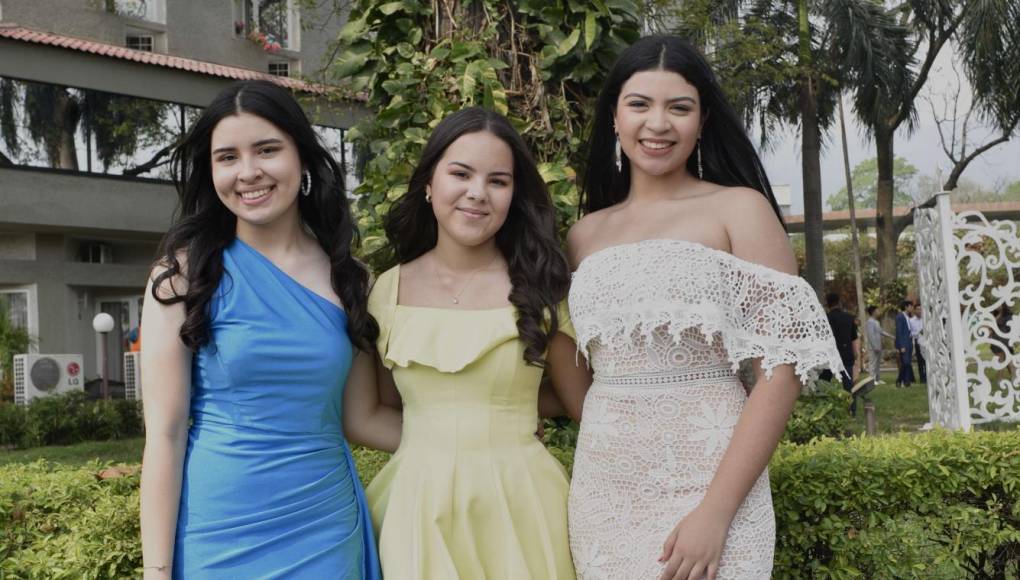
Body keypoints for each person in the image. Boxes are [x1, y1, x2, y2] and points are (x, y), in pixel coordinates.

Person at [566, 36, 843, 580]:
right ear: (615, 118)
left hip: (715, 487)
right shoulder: (582, 236)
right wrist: (616, 429)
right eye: (640, 104)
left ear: (702, 120)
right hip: (605, 490)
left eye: (679, 107)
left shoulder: (739, 210)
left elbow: (781, 370)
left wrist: (715, 512)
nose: (658, 123)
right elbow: (579, 365)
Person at [139, 80, 380, 579]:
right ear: (211, 170)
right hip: (218, 529)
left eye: (267, 150)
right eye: (227, 157)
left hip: (324, 527)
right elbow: (163, 434)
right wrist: (156, 571)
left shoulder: (350, 279)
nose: (248, 173)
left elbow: (363, 418)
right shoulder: (183, 274)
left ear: (303, 158)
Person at [343, 107, 593, 579]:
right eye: (460, 173)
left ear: (513, 195)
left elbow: (577, 401)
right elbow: (366, 414)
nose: (477, 193)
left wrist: (502, 428)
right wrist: (445, 447)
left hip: (524, 501)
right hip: (417, 505)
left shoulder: (544, 287)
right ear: (428, 184)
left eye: (498, 181)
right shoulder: (384, 291)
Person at [821, 293, 861, 415]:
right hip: (846, 355)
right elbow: (854, 338)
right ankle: (851, 410)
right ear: (839, 302)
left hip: (829, 356)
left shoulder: (825, 318)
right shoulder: (849, 318)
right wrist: (856, 353)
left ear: (827, 304)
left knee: (823, 384)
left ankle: (822, 408)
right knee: (848, 385)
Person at [864, 305, 893, 385]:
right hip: (873, 347)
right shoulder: (869, 322)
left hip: (878, 346)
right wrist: (875, 346)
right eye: (877, 310)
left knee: (877, 364)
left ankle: (877, 379)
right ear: (873, 312)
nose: (879, 312)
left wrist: (890, 336)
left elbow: (881, 331)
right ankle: (872, 380)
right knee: (872, 363)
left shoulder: (876, 322)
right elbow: (871, 335)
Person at [894, 300, 915, 387]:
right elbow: (898, 332)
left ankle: (907, 381)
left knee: (908, 363)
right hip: (904, 343)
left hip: (909, 342)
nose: (912, 308)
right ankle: (899, 380)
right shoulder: (900, 316)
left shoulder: (908, 317)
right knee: (905, 363)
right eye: (910, 306)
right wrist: (901, 346)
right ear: (906, 307)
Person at [908, 304, 927, 383]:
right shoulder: (911, 321)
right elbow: (910, 333)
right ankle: (922, 378)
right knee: (920, 361)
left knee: (927, 361)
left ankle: (928, 377)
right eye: (918, 309)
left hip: (926, 341)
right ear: (915, 310)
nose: (919, 311)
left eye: (921, 309)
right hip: (917, 341)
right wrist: (919, 333)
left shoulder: (926, 319)